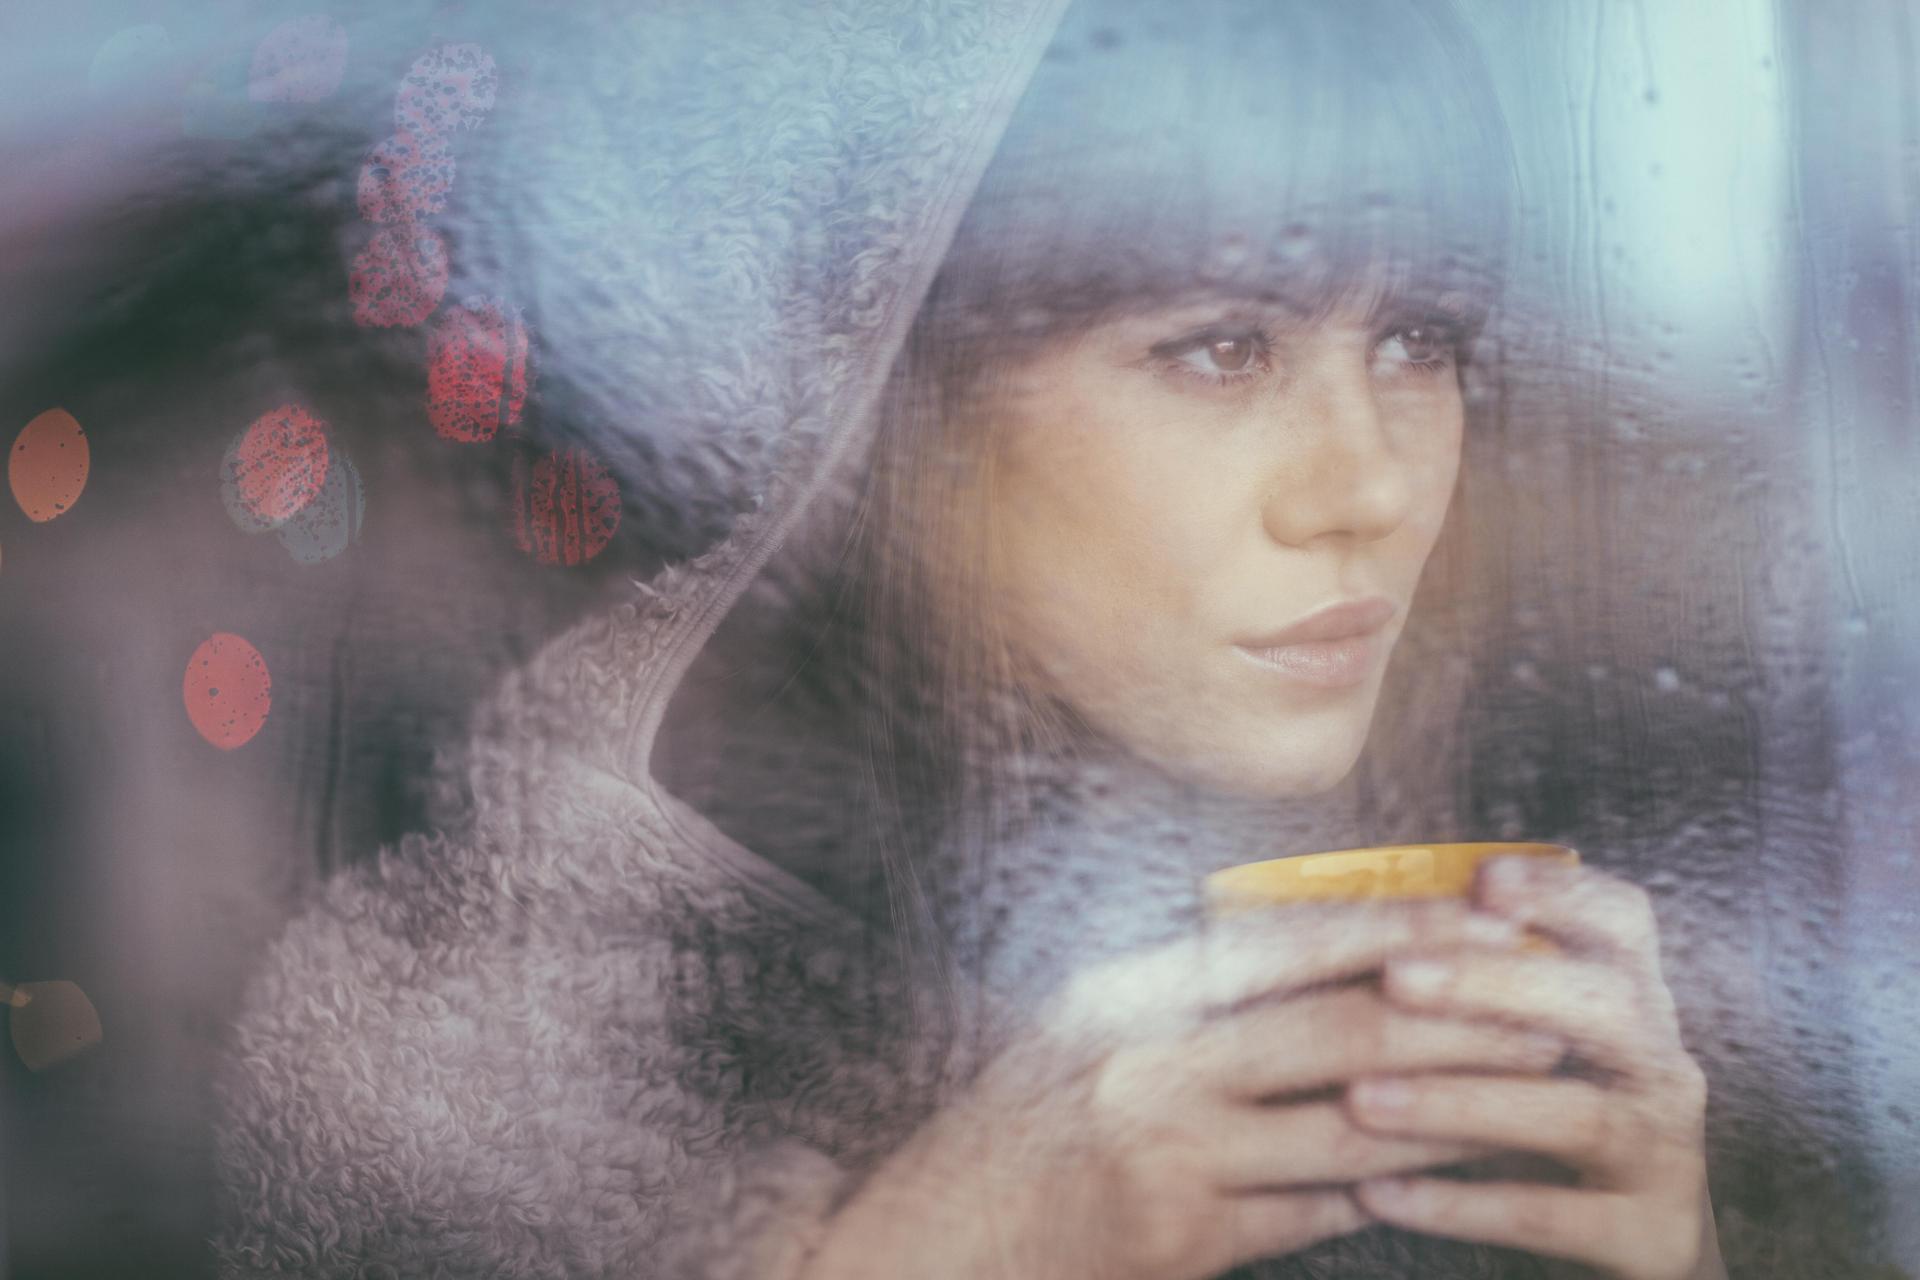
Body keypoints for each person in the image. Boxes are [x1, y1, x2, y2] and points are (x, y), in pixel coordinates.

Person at [209, 1, 1729, 1277]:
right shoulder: (462, 1069)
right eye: (1222, 349)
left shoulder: (1419, 983)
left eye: (1420, 340)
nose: (1373, 488)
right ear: (885, 395)